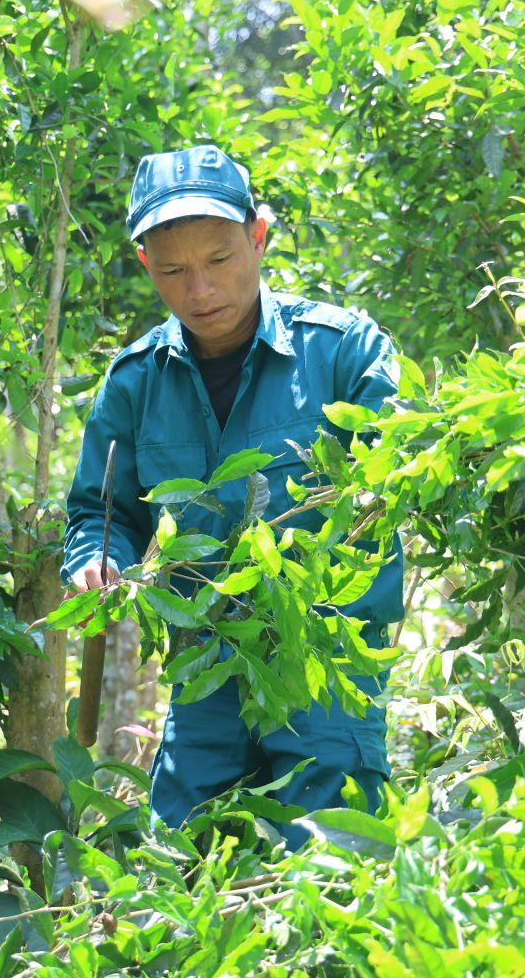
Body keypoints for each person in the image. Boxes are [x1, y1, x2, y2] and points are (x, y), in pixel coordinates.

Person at [58, 144, 404, 851]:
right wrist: (98, 558)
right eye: (174, 271)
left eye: (219, 259)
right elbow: (102, 511)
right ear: (146, 265)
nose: (200, 290)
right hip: (205, 674)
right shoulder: (135, 381)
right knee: (182, 862)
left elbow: (402, 465)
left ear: (258, 237)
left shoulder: (343, 352)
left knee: (333, 867)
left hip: (322, 667)